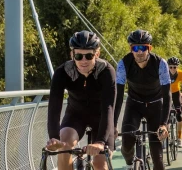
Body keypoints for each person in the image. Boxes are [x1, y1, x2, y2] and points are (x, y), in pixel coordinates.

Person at [46, 30, 116, 170]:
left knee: (100, 163)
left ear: (97, 54)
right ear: (72, 55)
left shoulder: (107, 71)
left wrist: (100, 142)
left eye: (89, 56)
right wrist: (54, 137)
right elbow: (54, 107)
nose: (83, 61)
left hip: (101, 117)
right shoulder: (62, 72)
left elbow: (108, 107)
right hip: (76, 114)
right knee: (63, 145)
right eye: (78, 56)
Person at [114, 29, 171, 170]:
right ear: (131, 49)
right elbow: (119, 96)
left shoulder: (160, 64)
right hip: (134, 105)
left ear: (149, 48)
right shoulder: (123, 64)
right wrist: (113, 124)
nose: (139, 52)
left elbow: (167, 95)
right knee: (127, 142)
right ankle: (130, 162)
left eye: (143, 48)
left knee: (157, 158)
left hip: (156, 105)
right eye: (135, 48)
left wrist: (164, 124)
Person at [168, 56, 182, 148]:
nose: (172, 69)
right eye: (170, 67)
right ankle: (166, 136)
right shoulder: (164, 73)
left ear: (177, 67)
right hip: (166, 93)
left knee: (179, 115)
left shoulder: (181, 74)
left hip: (176, 94)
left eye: (174, 67)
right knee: (165, 115)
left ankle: (179, 138)